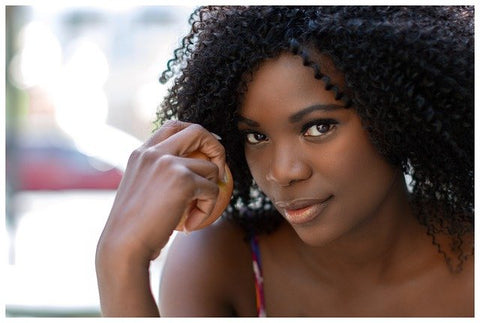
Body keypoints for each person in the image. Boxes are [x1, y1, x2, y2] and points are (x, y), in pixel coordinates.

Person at [95, 6, 474, 317]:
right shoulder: (223, 262)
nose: (281, 172)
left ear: (395, 114)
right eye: (256, 137)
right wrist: (120, 258)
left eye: (318, 127)